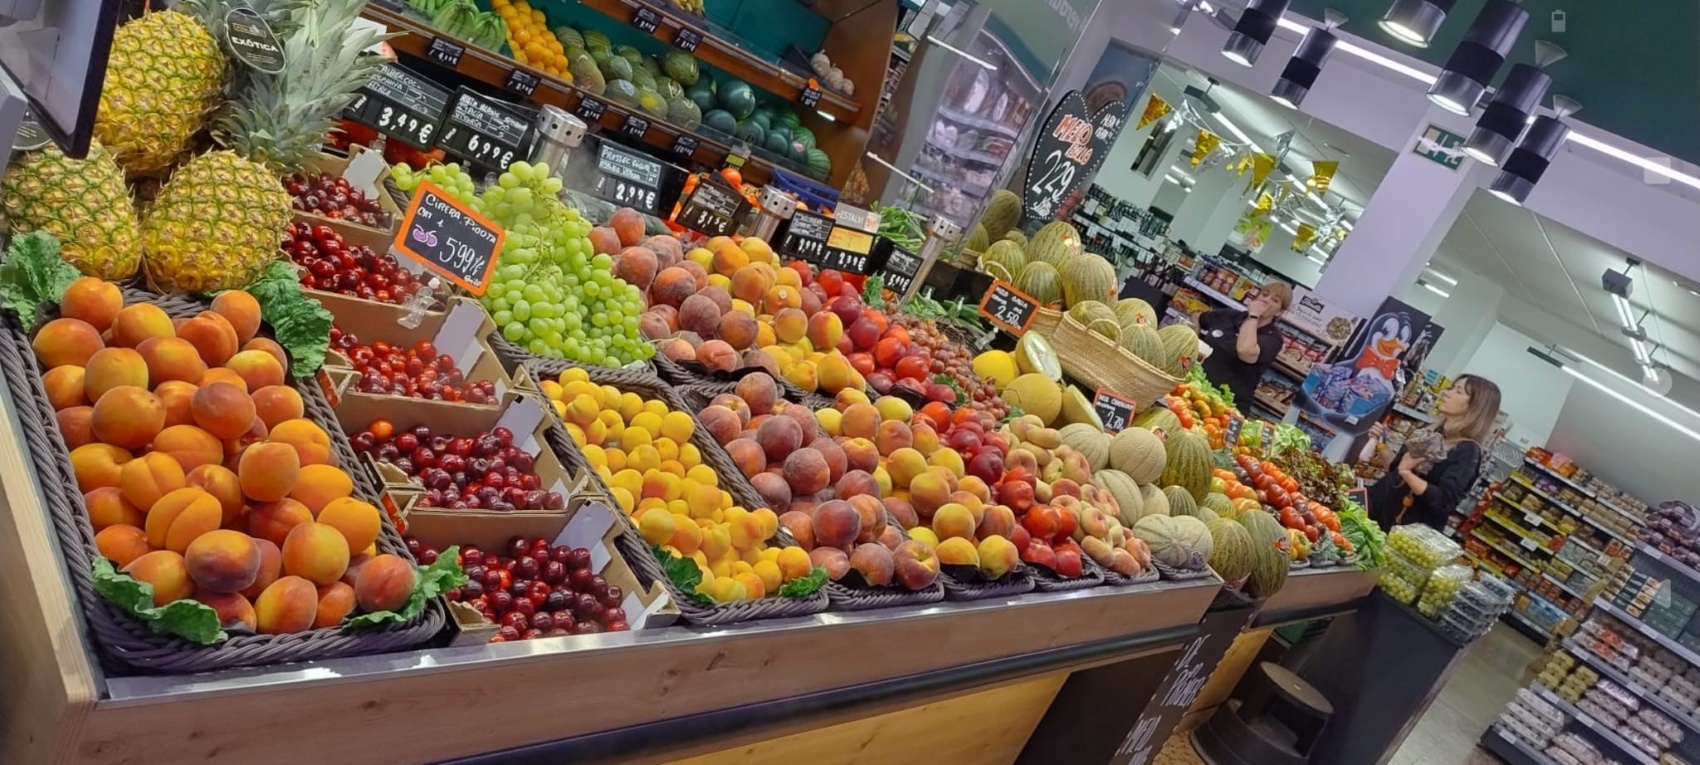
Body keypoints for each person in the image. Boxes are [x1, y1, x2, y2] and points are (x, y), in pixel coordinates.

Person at [1364, 374, 1503, 530]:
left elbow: (1443, 502)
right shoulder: (1430, 431)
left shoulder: (1468, 451)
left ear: (1475, 406)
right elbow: (1395, 471)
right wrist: (1381, 445)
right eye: (1451, 388)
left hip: (1400, 530)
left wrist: (1407, 472)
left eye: (1457, 391)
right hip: (1374, 511)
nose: (1446, 393)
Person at [1193, 282, 1293, 406]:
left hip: (1226, 405)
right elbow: (1197, 317)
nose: (1266, 300)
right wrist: (1193, 345)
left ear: (1279, 312)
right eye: (1265, 294)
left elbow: (1244, 351)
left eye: (1275, 300)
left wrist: (1254, 316)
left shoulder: (1273, 338)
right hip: (1194, 388)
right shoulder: (1229, 316)